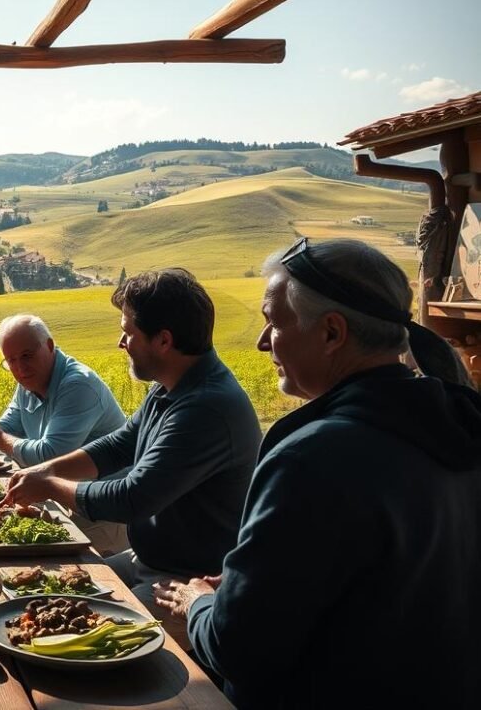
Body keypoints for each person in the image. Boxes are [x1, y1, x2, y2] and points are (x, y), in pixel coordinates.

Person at [154, 239, 481, 709]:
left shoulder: (314, 459)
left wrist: (198, 602)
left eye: (273, 321)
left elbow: (237, 647)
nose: (262, 341)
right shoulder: (457, 427)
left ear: (332, 333)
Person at [4, 268, 260, 612]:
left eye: (128, 333)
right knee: (45, 589)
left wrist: (49, 485)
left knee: (67, 620)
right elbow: (119, 445)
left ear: (164, 341)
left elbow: (133, 498)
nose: (120, 343)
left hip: (187, 582)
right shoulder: (170, 387)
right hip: (148, 559)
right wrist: (45, 470)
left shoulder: (206, 408)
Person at [0, 314, 126, 466]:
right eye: (11, 361)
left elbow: (51, 458)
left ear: (50, 346)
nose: (20, 369)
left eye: (27, 356)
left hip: (110, 488)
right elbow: (11, 426)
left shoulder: (79, 385)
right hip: (68, 486)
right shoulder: (30, 381)